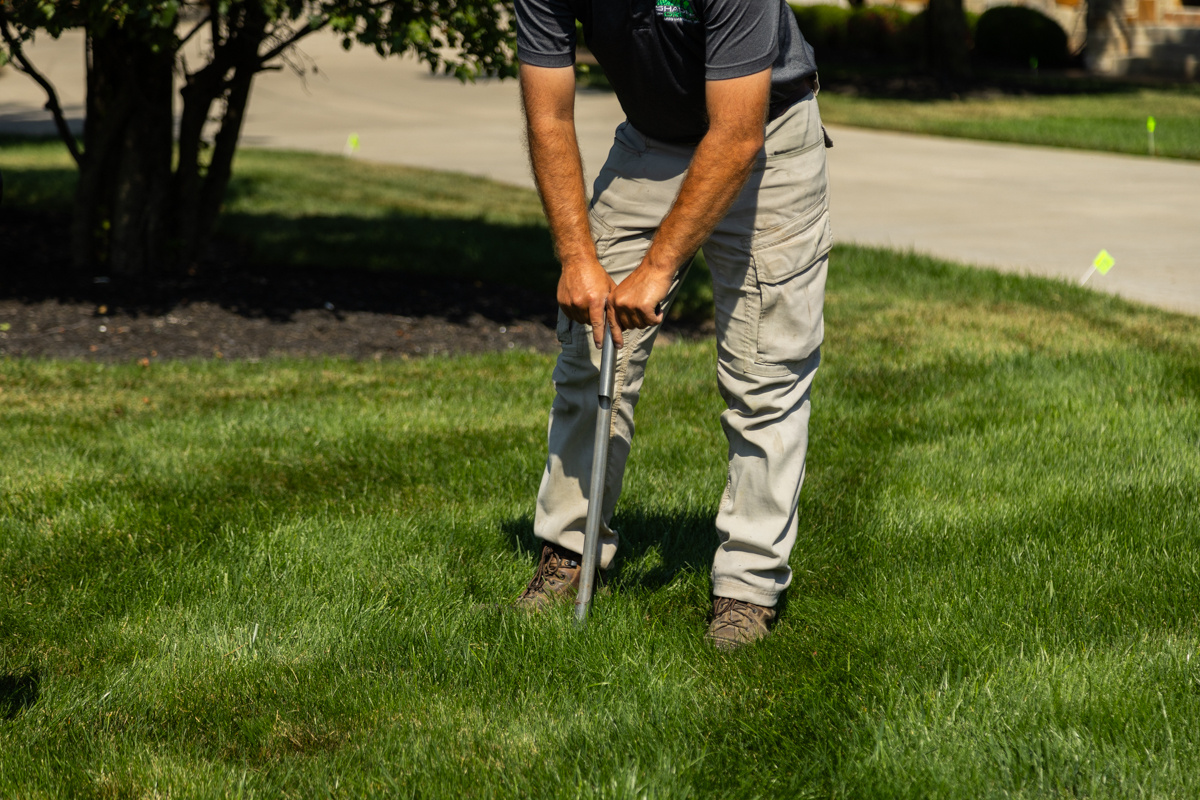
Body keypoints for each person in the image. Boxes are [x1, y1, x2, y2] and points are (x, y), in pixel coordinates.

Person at [514, 0, 832, 649]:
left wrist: (658, 269)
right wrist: (577, 260)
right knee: (590, 351)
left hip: (767, 139)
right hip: (650, 144)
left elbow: (737, 135)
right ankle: (569, 554)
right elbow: (547, 112)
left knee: (765, 372)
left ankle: (747, 587)